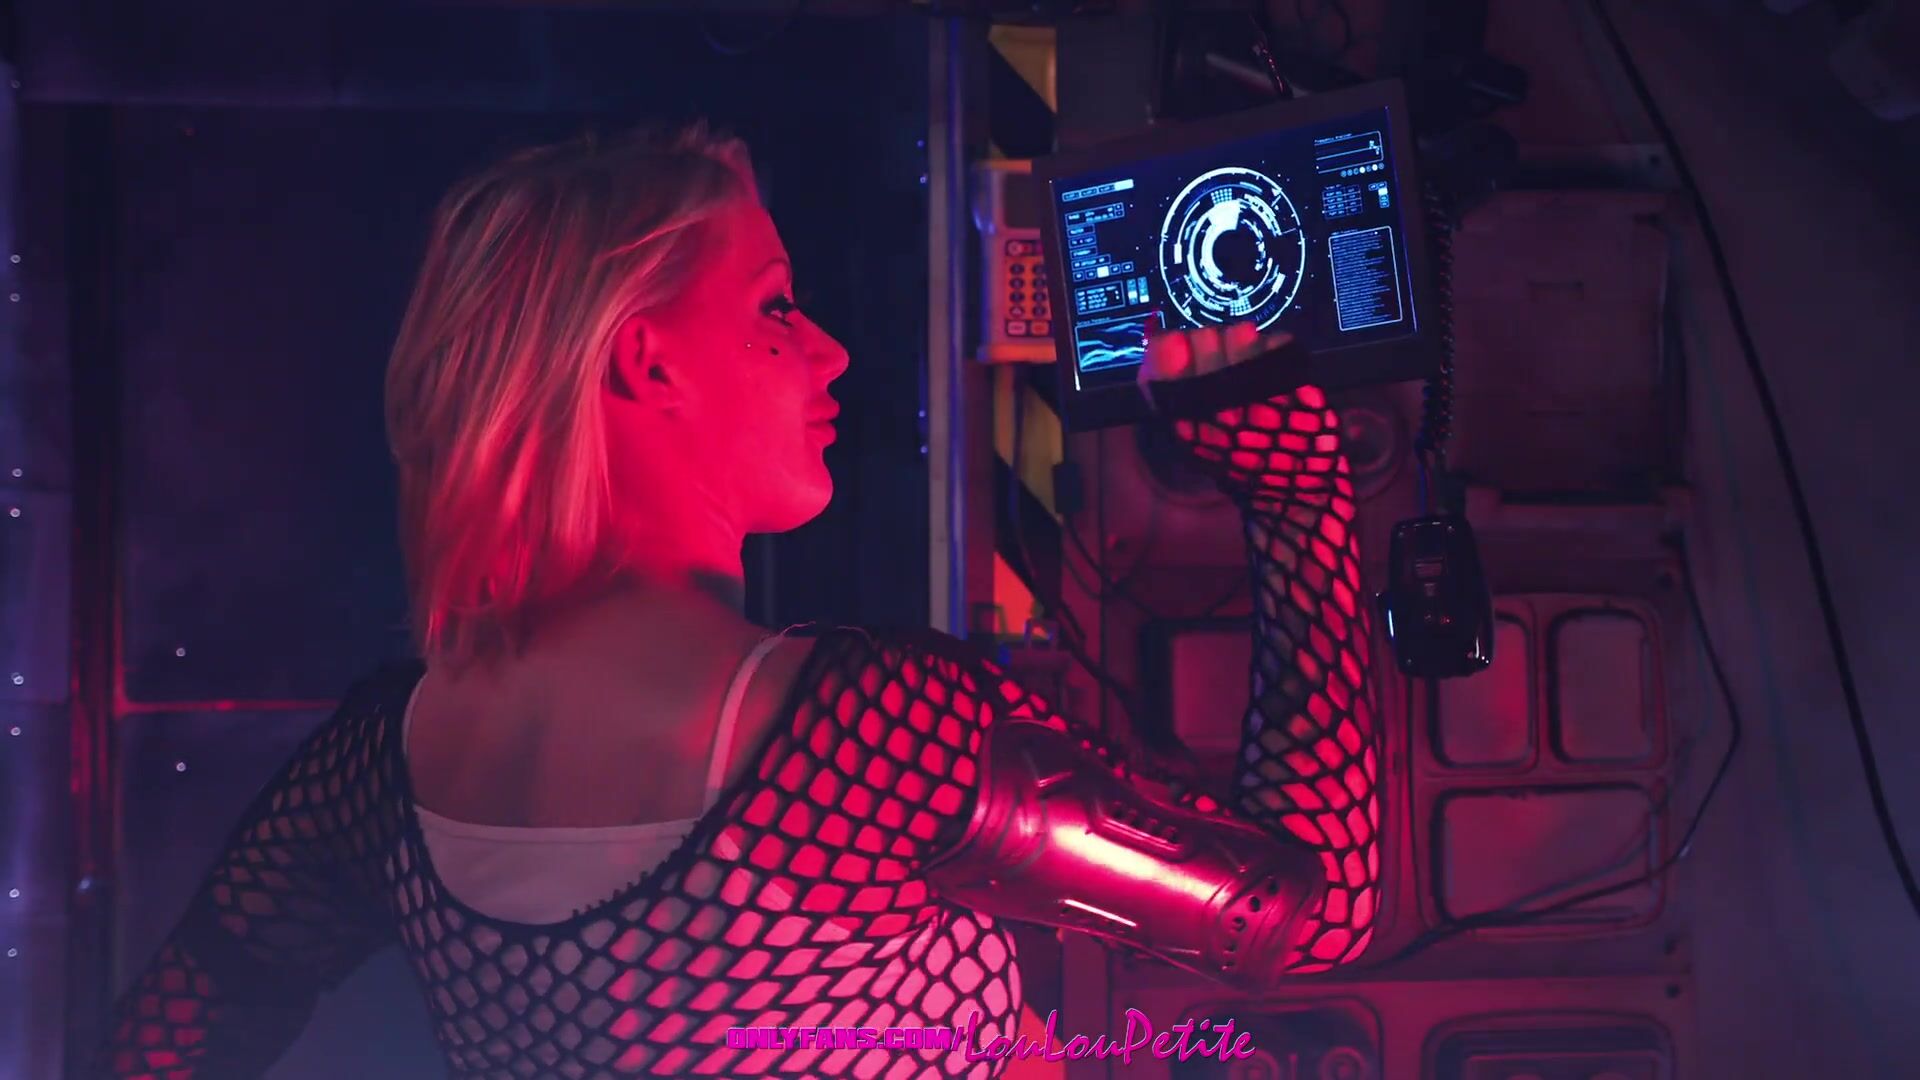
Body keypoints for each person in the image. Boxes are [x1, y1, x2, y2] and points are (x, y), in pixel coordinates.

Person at [100, 124, 1381, 1079]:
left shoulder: (382, 762)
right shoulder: (867, 733)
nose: (828, 350)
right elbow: (1310, 919)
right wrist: (1300, 502)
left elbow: (171, 1034)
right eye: (775, 306)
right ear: (644, 361)